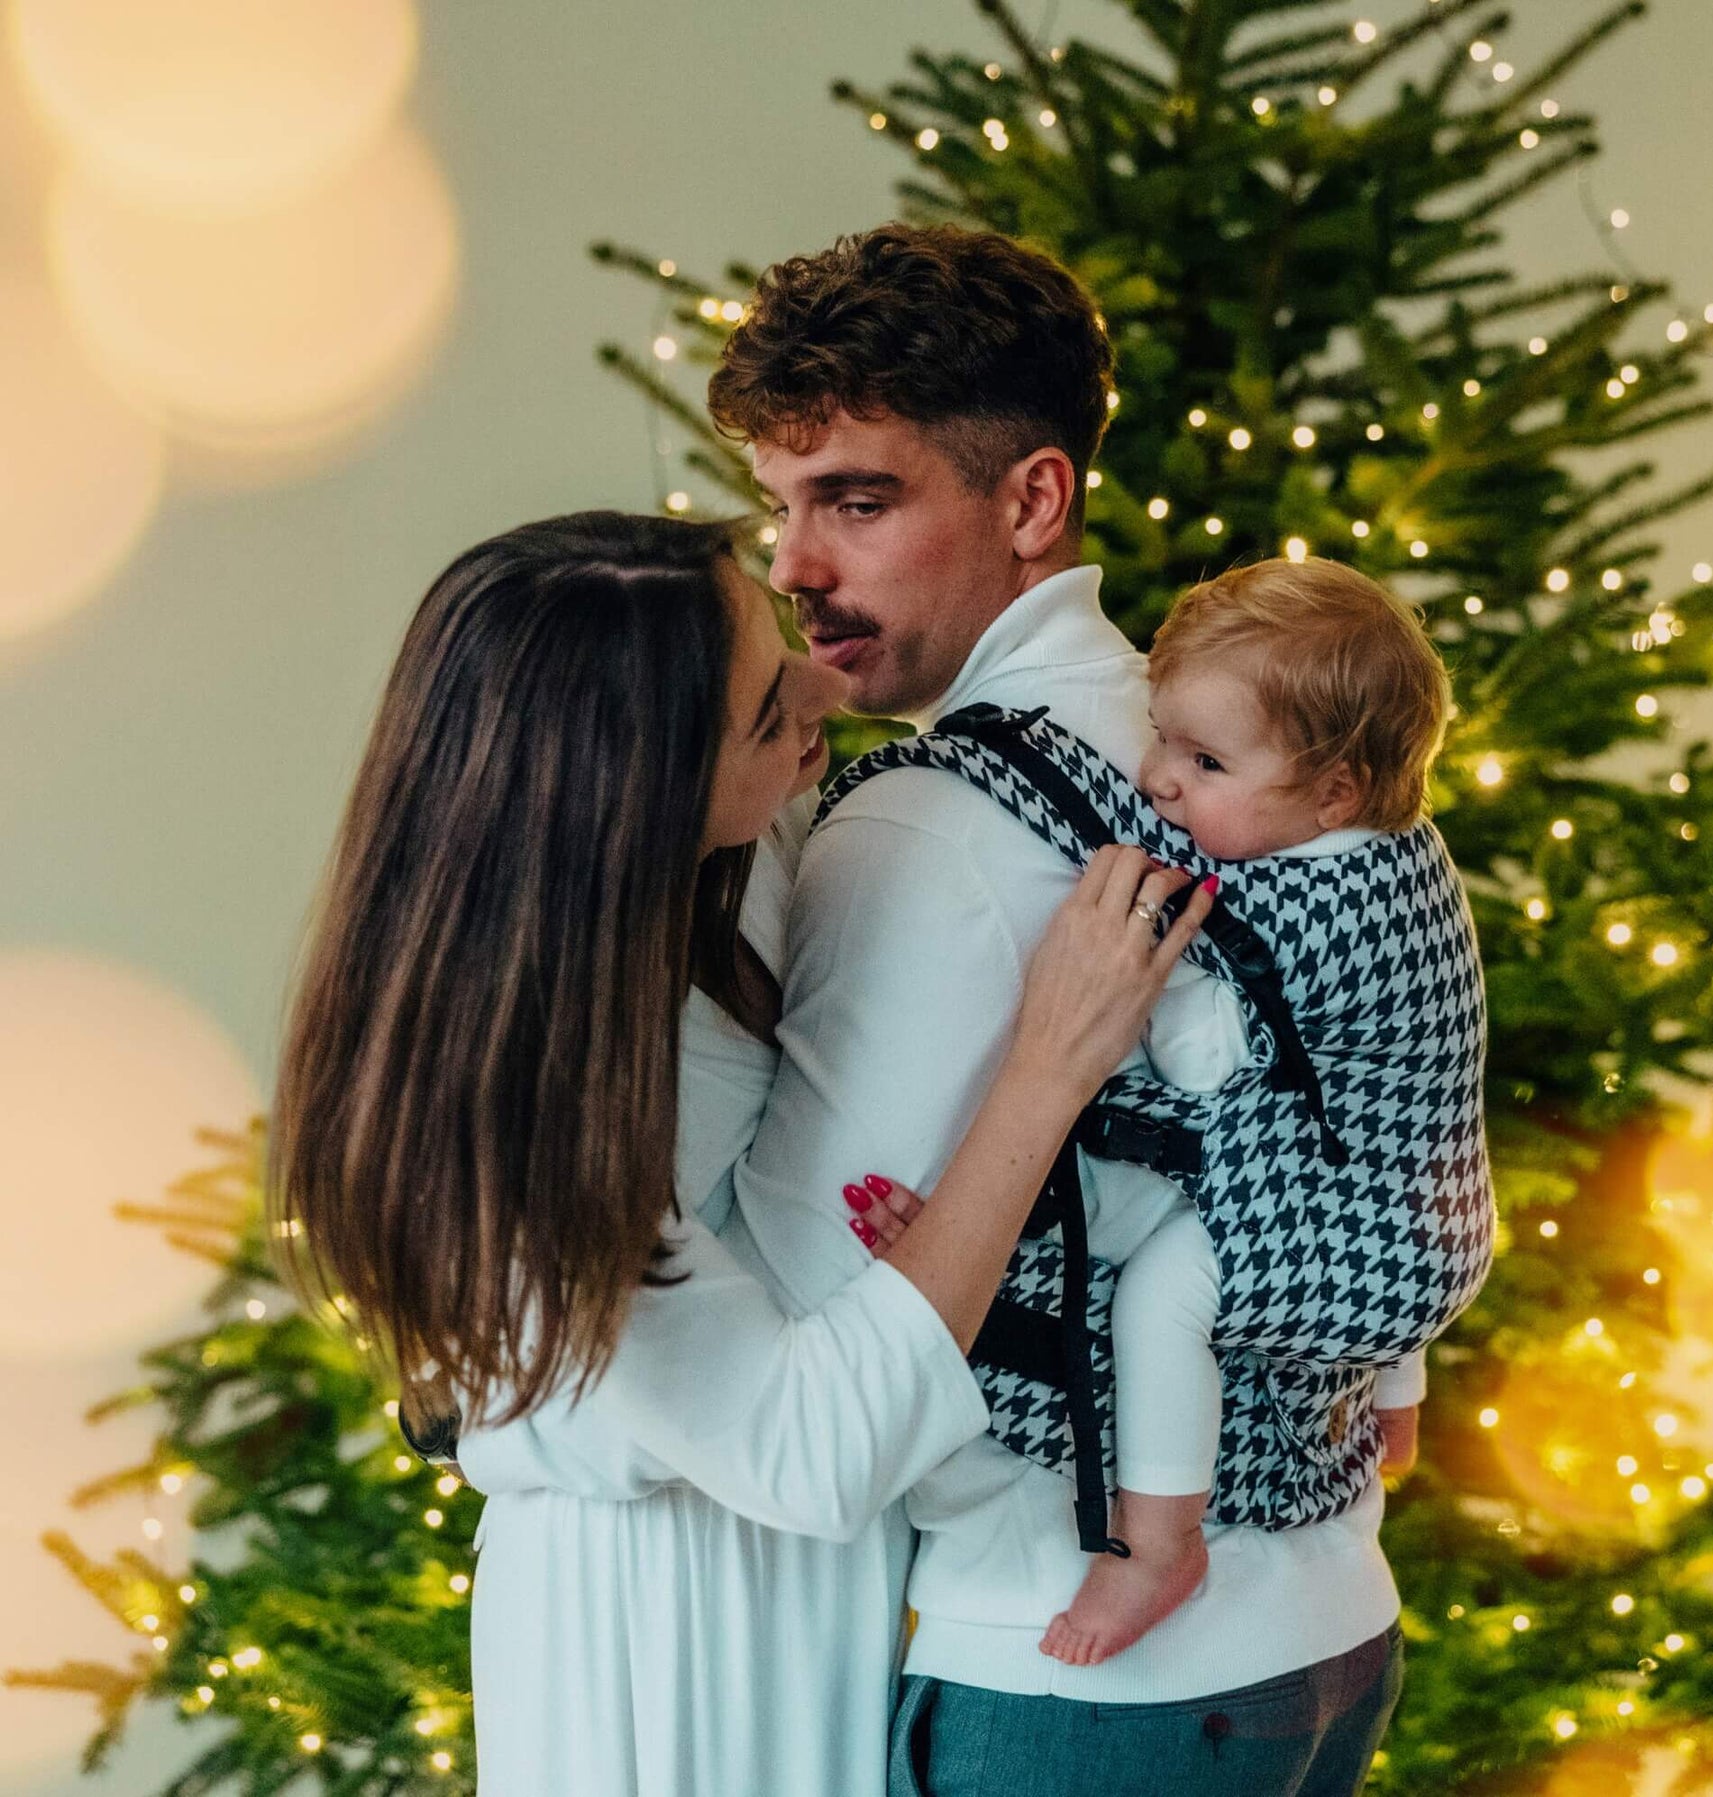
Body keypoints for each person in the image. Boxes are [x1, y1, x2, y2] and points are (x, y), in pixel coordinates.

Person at [266, 509, 1211, 1797]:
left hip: (812, 1581)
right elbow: (810, 1447)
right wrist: (1049, 1068)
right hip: (670, 1640)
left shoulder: (731, 857)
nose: (827, 686)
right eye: (771, 709)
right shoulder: (517, 1096)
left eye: (779, 641)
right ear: (638, 799)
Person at [710, 223, 1411, 1794]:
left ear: (1033, 499)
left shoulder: (918, 827)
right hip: (1327, 1622)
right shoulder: (1236, 752)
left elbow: (814, 1337)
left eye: (858, 500)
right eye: (781, 505)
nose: (796, 565)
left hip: (1074, 1671)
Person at [997, 556, 1458, 1665]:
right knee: (1378, 1190)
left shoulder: (1307, 910)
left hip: (1367, 1227)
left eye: (1204, 761)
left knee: (1163, 1293)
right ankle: (1392, 1398)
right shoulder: (1403, 851)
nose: (1158, 778)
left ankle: (1159, 1544)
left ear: (1333, 793)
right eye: (1161, 737)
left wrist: (1140, 982)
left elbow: (1202, 1063)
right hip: (1419, 1203)